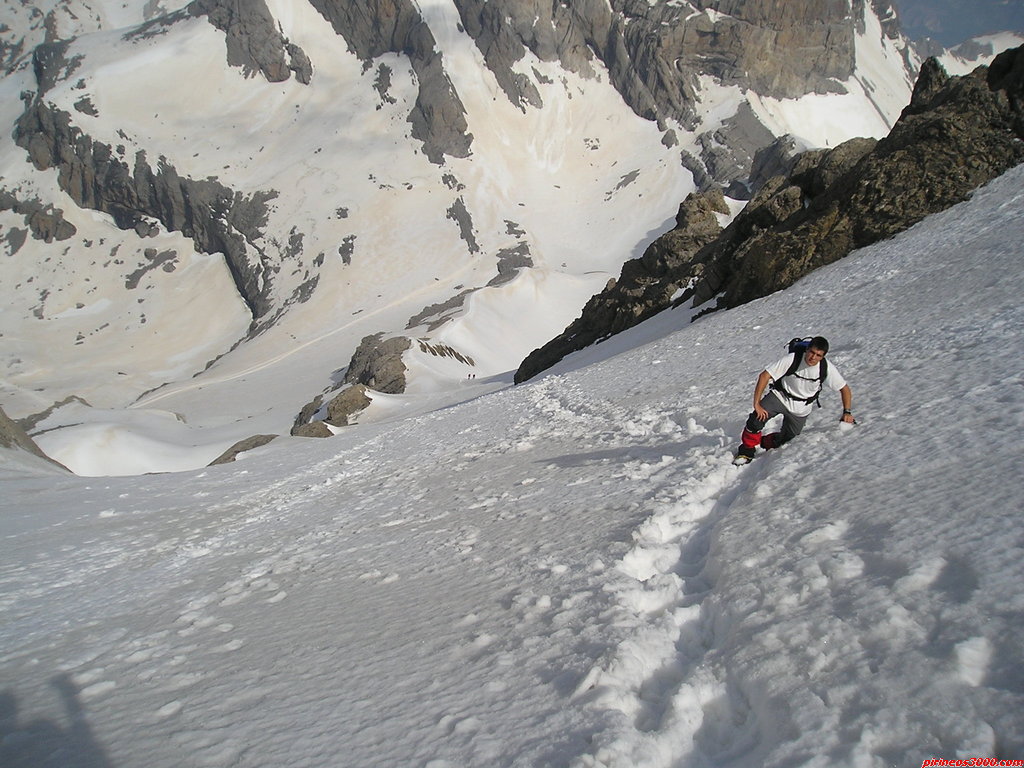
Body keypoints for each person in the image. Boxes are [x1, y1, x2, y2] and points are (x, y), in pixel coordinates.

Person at [735, 336, 854, 463]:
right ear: (807, 350)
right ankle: (746, 451)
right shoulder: (793, 359)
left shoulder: (826, 367)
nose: (813, 358)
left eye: (818, 355)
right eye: (812, 352)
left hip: (801, 407)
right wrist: (757, 404)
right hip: (780, 396)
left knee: (789, 439)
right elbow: (764, 376)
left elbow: (844, 389)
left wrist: (847, 412)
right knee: (755, 421)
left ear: (823, 356)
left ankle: (766, 442)